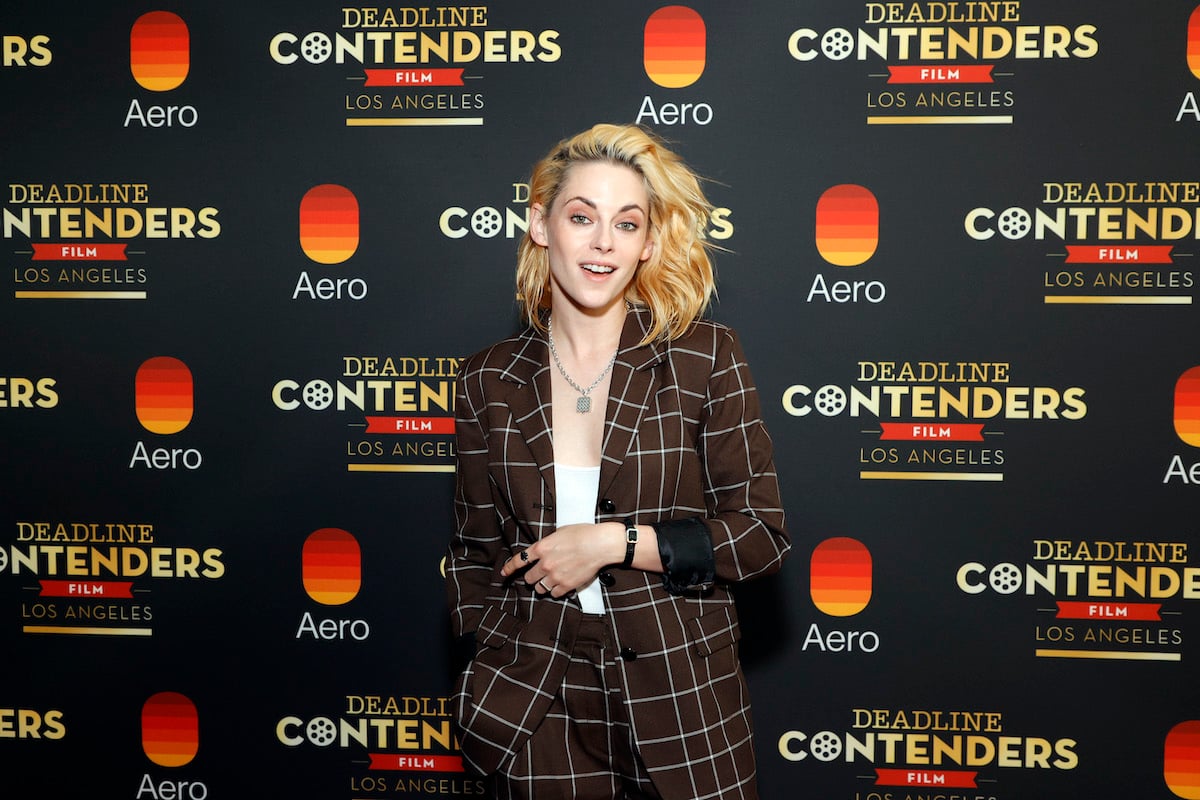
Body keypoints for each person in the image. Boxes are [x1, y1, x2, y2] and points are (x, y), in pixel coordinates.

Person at [446, 122, 789, 800]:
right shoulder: (486, 377)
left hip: (680, 692)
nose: (603, 243)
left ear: (650, 242)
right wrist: (492, 651)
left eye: (626, 224)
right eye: (582, 217)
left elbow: (758, 536)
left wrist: (614, 543)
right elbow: (472, 550)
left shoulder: (705, 358)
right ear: (541, 225)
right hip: (534, 696)